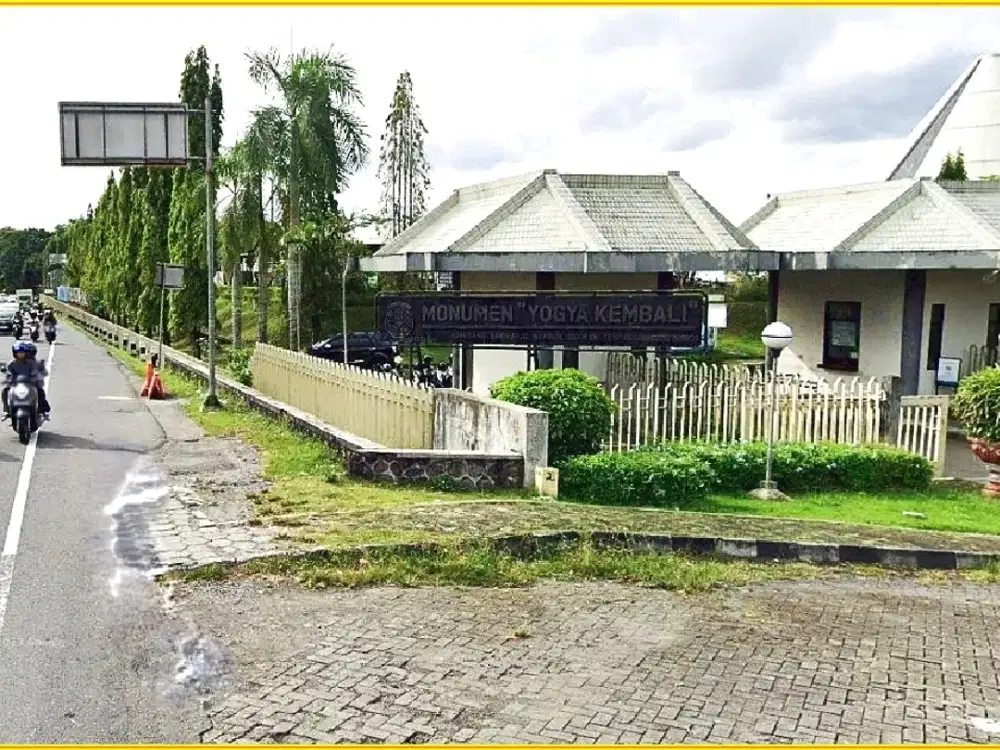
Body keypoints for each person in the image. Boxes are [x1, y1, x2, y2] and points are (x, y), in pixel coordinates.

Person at [2, 341, 49, 419]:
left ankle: (41, 410)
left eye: (23, 353)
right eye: (19, 353)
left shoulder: (33, 363)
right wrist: (8, 378)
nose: (21, 354)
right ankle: (7, 410)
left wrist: (38, 376)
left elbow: (40, 372)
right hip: (16, 384)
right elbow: (8, 371)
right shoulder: (12, 363)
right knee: (5, 391)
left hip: (30, 383)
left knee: (40, 392)